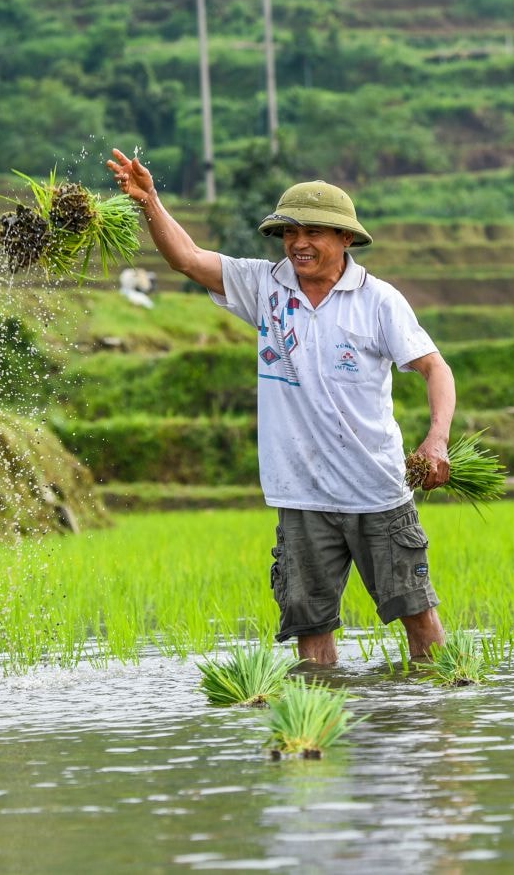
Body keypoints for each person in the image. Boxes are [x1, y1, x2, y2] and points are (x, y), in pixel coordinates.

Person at [106, 150, 456, 664]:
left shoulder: (379, 301)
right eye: (290, 233)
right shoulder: (264, 287)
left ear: (345, 240)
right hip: (301, 495)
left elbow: (436, 369)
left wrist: (437, 438)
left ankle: (433, 719)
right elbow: (187, 258)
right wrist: (149, 201)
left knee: (417, 614)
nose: (299, 244)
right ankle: (311, 729)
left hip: (376, 490)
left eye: (313, 232)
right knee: (310, 630)